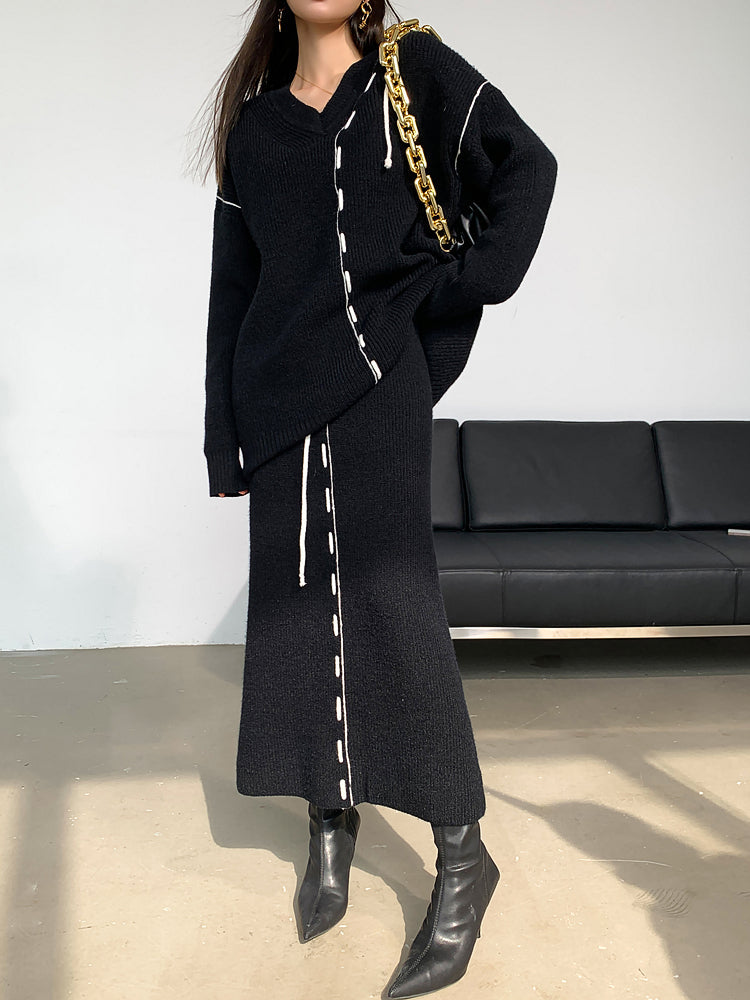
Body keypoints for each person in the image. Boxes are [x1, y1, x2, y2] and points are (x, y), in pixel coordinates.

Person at [192, 1, 557, 995]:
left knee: (395, 611)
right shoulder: (254, 127)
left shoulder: (413, 74)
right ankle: (329, 819)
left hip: (376, 394)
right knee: (296, 613)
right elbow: (233, 287)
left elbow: (527, 166)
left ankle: (463, 858)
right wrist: (224, 435)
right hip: (276, 405)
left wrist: (459, 285)